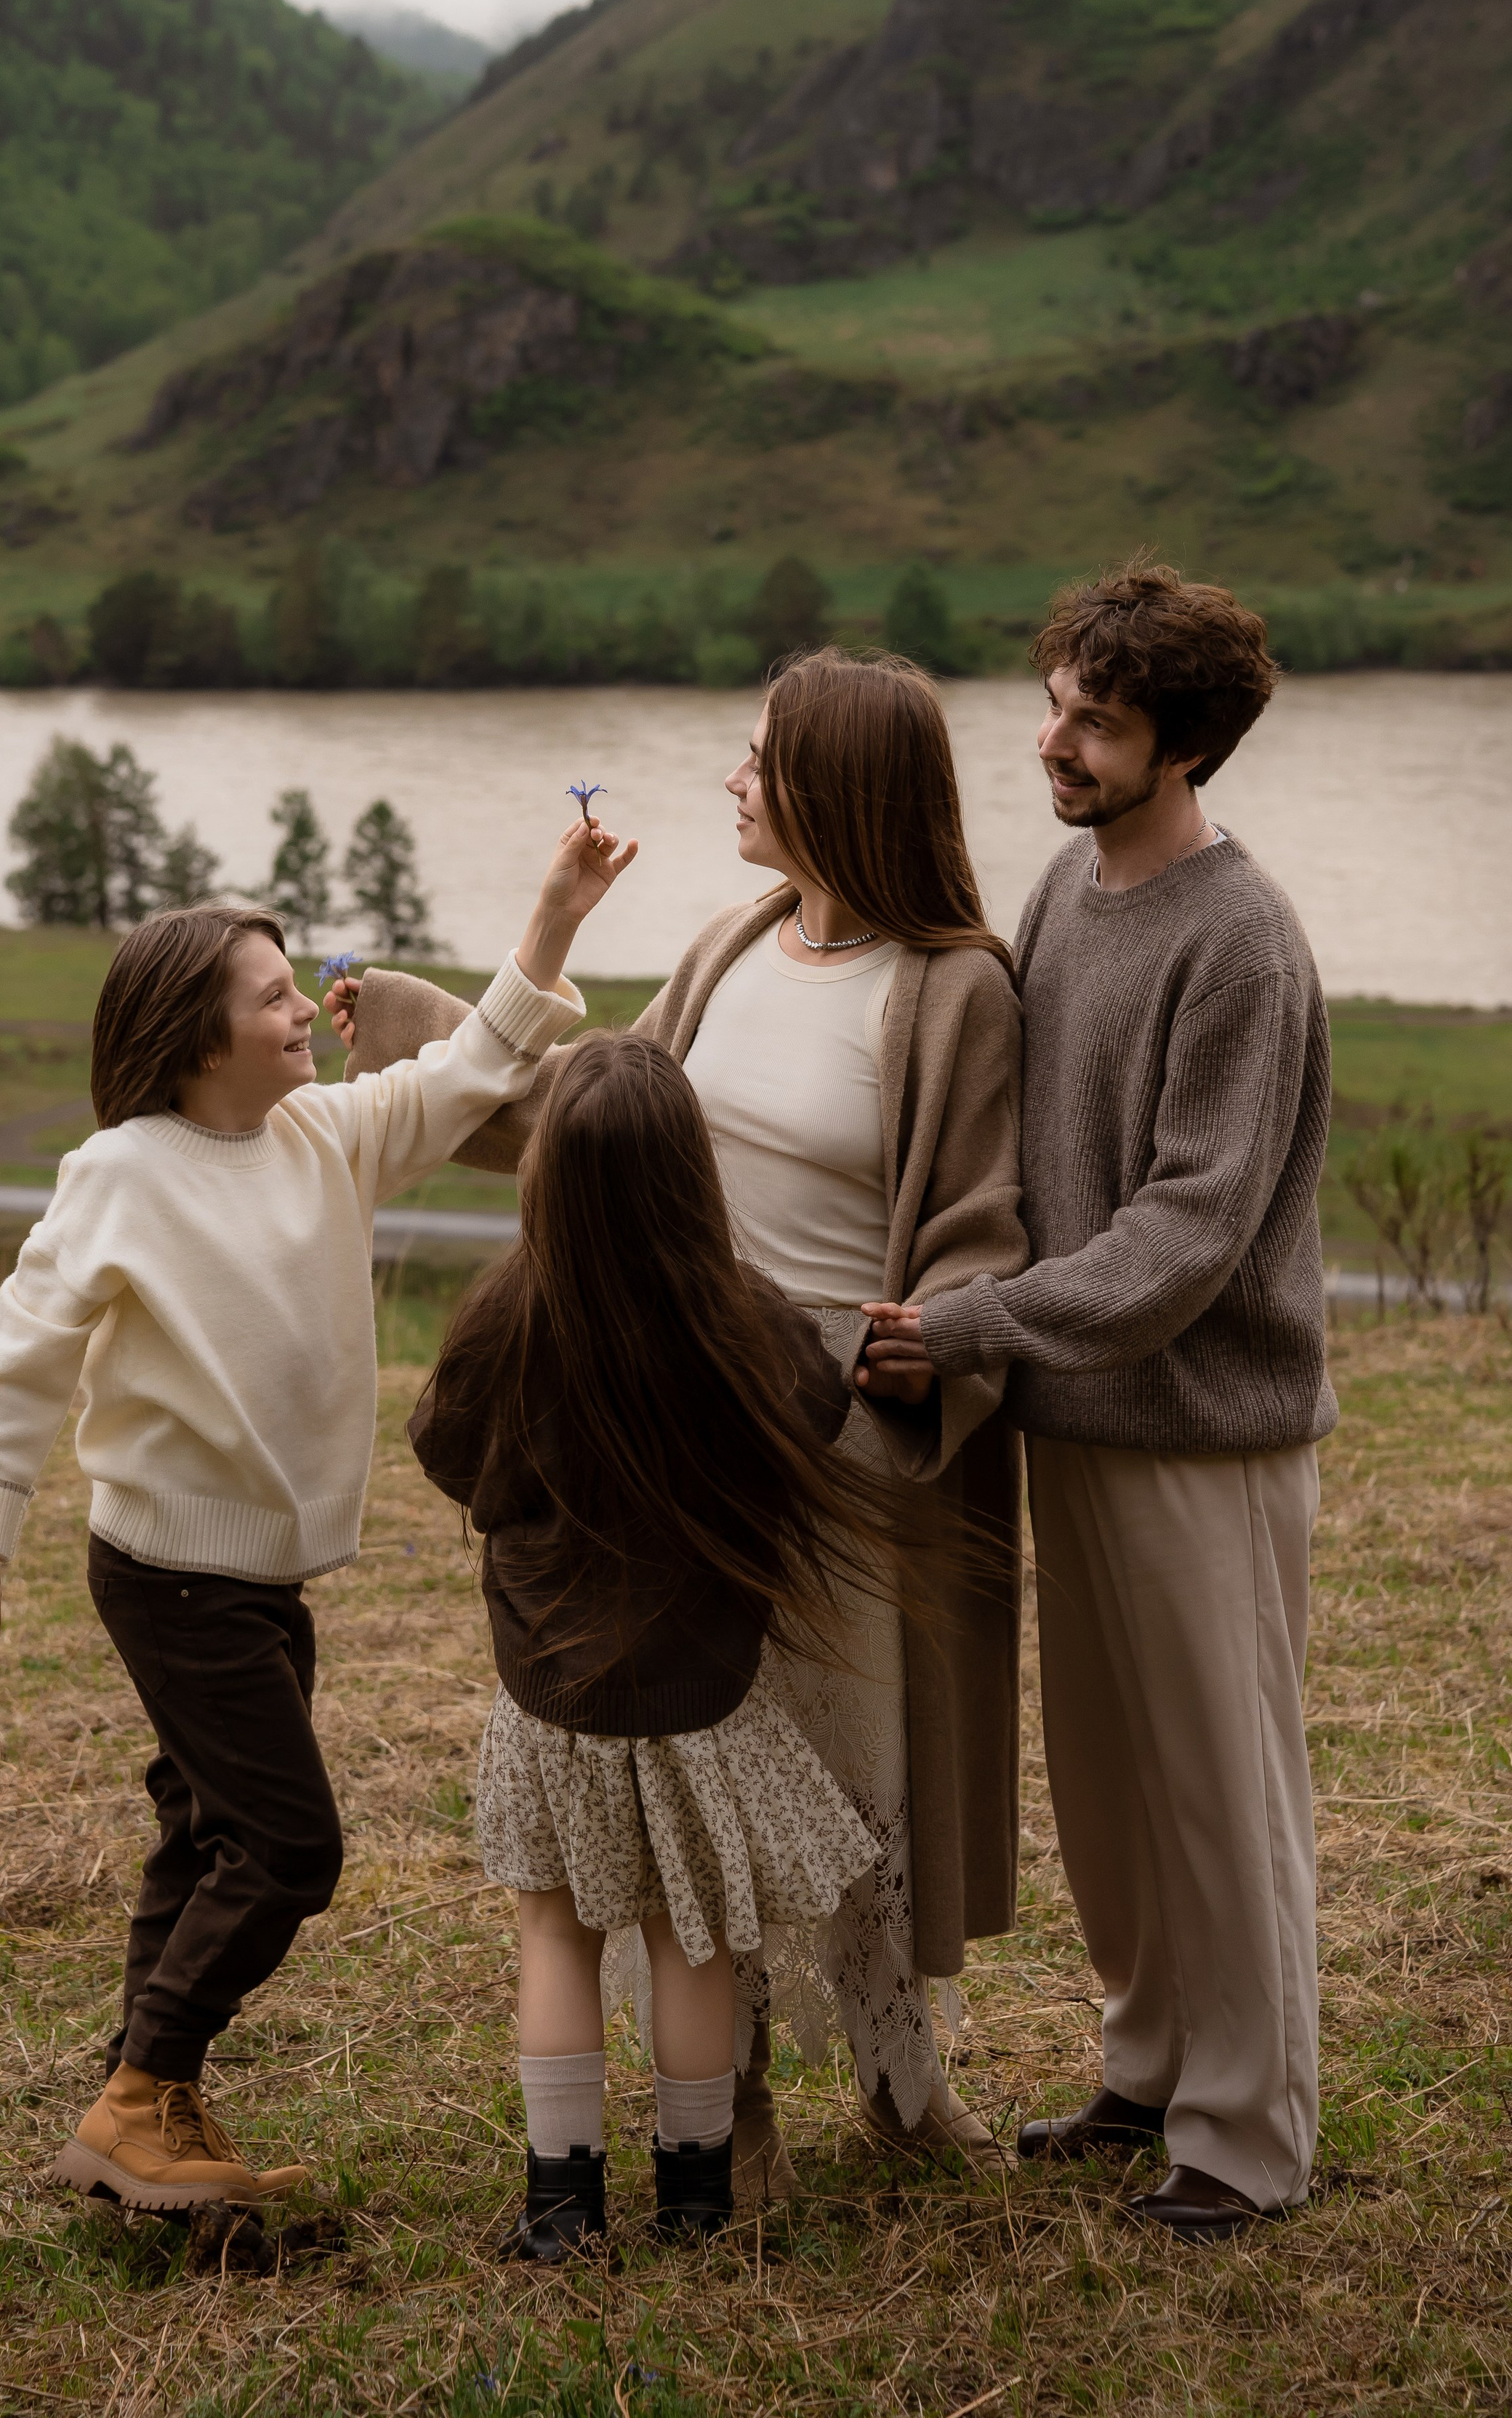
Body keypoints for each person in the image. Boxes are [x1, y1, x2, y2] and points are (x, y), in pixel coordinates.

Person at [332, 650, 1027, 2198]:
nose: (731, 780)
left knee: (859, 1782)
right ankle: (733, 2106)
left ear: (836, 789)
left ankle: (902, 2086)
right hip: (689, 1439)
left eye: (758, 761)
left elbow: (984, 1228)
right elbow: (594, 1115)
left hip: (845, 1435)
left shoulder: (955, 989)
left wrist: (937, 1352)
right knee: (708, 1780)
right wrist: (404, 1020)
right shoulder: (729, 944)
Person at [0, 817, 632, 2212]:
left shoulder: (326, 1136)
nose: (310, 1004)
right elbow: (20, 1357)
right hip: (166, 1574)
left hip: (264, 1583)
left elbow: (476, 1065)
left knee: (202, 1833)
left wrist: (554, 911)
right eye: (272, 995)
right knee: (290, 1846)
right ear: (199, 1041)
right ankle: (137, 2099)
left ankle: (147, 2105)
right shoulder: (119, 1173)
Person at [872, 562, 1334, 2244]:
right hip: (1074, 1415)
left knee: (1220, 1788)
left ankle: (1245, 2133)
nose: (1055, 740)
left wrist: (980, 1320)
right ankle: (1144, 2062)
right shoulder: (1069, 889)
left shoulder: (1240, 943)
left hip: (1204, 1431)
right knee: (1111, 1783)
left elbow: (1186, 1235)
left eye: (1099, 720)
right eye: (1056, 700)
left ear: (1185, 744)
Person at [408, 1032, 925, 2255]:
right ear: (692, 1175)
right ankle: (697, 2204)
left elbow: (452, 1462)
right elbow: (816, 1413)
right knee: (693, 1938)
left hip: (553, 1706)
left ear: (546, 1181)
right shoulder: (743, 1321)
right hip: (705, 1705)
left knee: (555, 1932)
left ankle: (561, 2208)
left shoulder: (503, 1316)